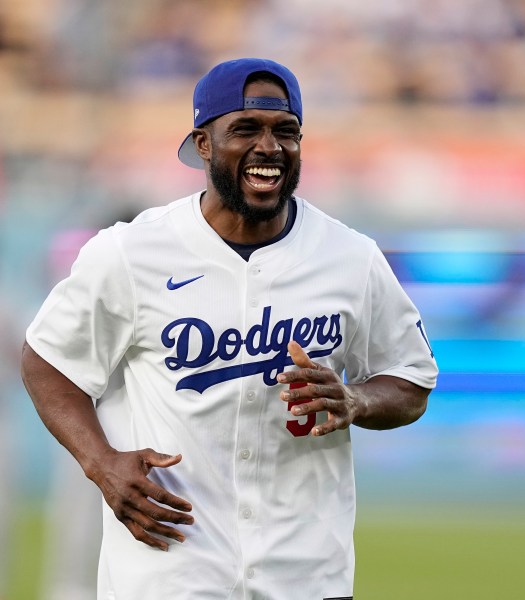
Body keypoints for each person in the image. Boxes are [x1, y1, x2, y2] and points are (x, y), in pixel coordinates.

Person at [21, 57, 438, 599]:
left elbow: (411, 381)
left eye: (285, 132)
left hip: (305, 572)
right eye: (245, 129)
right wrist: (100, 463)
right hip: (169, 572)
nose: (269, 147)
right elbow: (47, 360)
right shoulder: (131, 252)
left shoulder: (350, 257)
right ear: (202, 143)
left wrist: (355, 400)